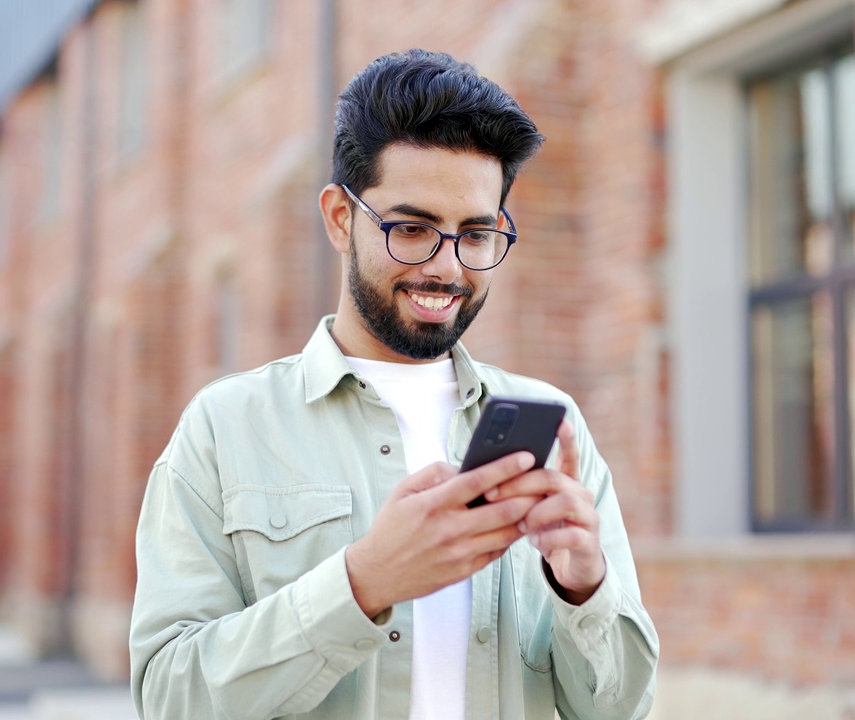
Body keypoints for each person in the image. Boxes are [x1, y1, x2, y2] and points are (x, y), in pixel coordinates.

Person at [130, 49, 658, 719]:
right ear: (339, 218)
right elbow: (170, 698)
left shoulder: (551, 424)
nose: (447, 267)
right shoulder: (224, 427)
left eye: (475, 233)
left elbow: (622, 710)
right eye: (411, 229)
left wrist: (585, 590)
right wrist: (362, 583)